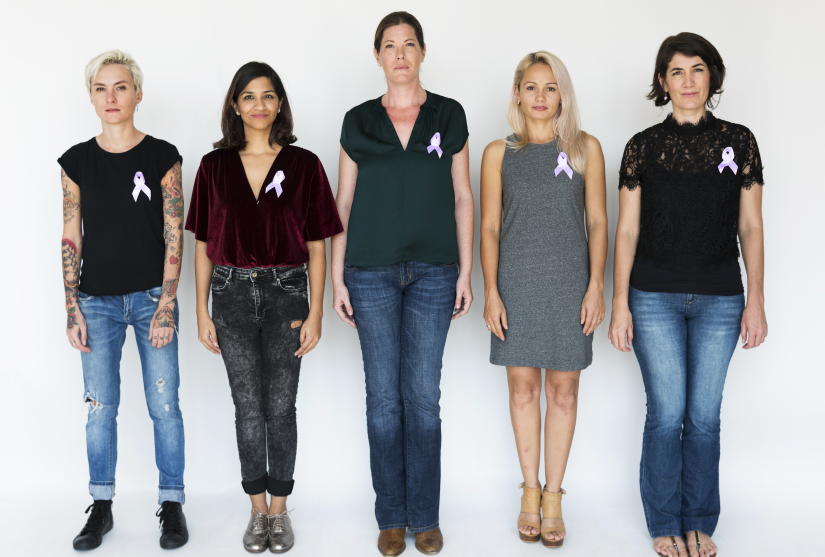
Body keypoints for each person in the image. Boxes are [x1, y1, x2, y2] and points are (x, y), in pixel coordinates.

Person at [608, 32, 767, 557]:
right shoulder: (642, 147)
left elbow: (751, 226)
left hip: (721, 297)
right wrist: (619, 304)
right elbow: (626, 231)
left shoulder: (740, 142)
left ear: (711, 77)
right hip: (652, 297)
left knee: (703, 415)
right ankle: (662, 522)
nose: (688, 81)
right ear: (663, 82)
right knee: (667, 412)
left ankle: (699, 519)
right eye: (676, 72)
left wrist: (756, 301)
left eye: (697, 69)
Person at [331, 11, 474, 556]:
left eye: (408, 44)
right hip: (368, 272)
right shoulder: (358, 121)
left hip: (435, 272)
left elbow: (463, 195)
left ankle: (426, 516)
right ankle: (392, 515)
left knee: (422, 396)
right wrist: (339, 280)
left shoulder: (449, 114)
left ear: (421, 52)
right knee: (383, 399)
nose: (399, 55)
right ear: (377, 55)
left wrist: (465, 271)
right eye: (389, 46)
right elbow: (342, 202)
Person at [185, 61, 342, 554]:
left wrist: (316, 311)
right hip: (229, 294)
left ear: (280, 104)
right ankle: (256, 513)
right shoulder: (214, 167)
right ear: (235, 104)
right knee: (248, 409)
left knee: (281, 408)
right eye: (248, 96)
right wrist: (201, 311)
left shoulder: (304, 165)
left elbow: (318, 244)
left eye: (268, 96)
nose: (259, 105)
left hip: (287, 293)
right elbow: (205, 243)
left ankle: (280, 509)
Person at [59, 49, 188, 551]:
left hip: (154, 295)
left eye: (120, 87)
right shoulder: (76, 161)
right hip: (97, 302)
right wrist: (72, 306)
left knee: (164, 404)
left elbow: (174, 233)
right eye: (100, 88)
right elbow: (71, 234)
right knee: (99, 408)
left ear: (137, 92)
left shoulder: (162, 155)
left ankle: (172, 504)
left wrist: (167, 303)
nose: (111, 98)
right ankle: (102, 506)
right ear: (91, 97)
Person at [480, 51, 607, 548]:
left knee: (565, 392)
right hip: (516, 284)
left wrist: (596, 285)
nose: (540, 97)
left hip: (570, 283)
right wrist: (491, 290)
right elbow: (489, 226)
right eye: (531, 87)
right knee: (523, 391)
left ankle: (553, 497)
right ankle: (528, 490)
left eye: (550, 87)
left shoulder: (585, 149)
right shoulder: (498, 153)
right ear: (517, 93)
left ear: (562, 94)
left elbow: (597, 222)